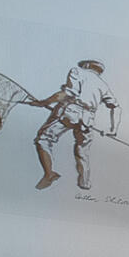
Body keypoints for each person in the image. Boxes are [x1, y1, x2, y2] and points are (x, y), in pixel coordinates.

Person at [33, 59, 117, 192]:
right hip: (88, 120)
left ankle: (49, 174)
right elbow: (116, 107)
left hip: (69, 112)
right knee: (82, 152)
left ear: (87, 66)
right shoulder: (103, 85)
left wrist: (43, 103)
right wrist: (113, 130)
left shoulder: (78, 72)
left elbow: (67, 94)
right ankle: (84, 183)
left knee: (44, 139)